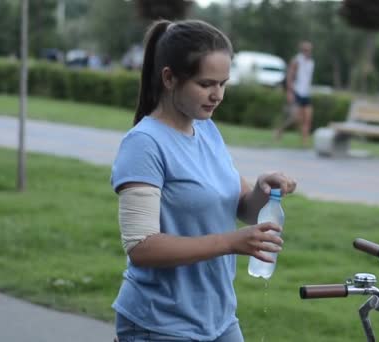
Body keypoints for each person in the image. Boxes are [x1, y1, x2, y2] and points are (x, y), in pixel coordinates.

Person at [110, 19, 297, 342]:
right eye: (206, 84)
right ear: (169, 78)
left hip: (218, 318)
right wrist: (231, 242)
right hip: (160, 323)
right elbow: (141, 247)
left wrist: (262, 190)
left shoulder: (206, 129)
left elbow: (244, 209)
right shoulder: (143, 144)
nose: (218, 95)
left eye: (224, 83)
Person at [274, 41, 315, 144]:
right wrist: (289, 92)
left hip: (306, 93)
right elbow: (290, 76)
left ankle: (304, 141)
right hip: (296, 92)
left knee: (307, 117)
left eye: (309, 50)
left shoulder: (311, 62)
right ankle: (279, 130)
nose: (307, 52)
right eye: (305, 50)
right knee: (294, 117)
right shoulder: (297, 60)